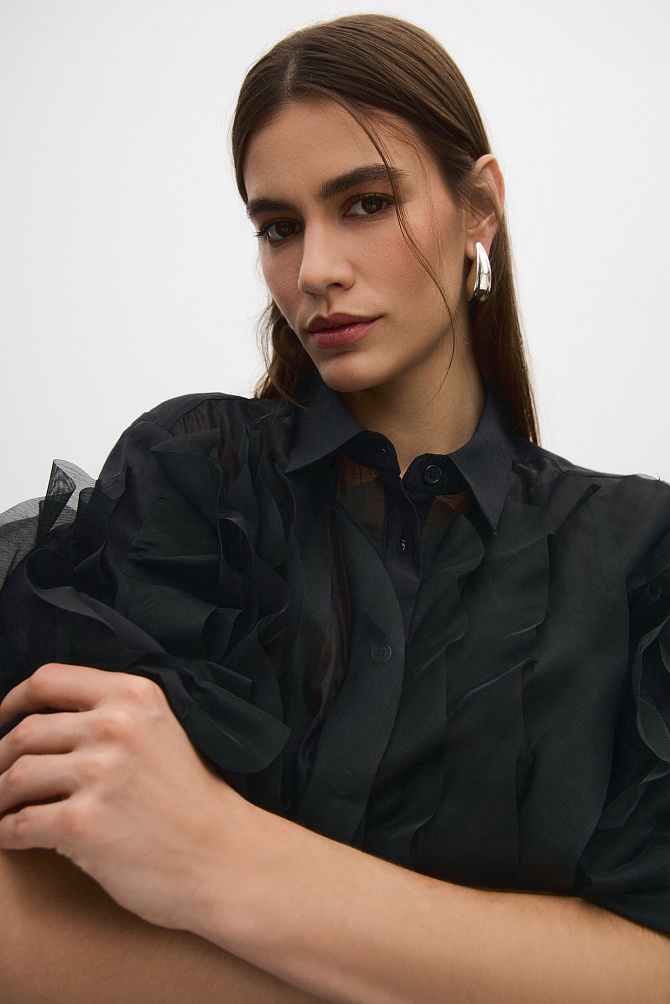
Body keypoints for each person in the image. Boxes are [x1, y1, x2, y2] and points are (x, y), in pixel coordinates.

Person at [0, 13, 669, 1003]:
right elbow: (17, 925)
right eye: (278, 226)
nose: (313, 270)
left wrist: (213, 853)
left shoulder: (640, 554)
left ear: (478, 207)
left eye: (365, 203)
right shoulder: (189, 490)